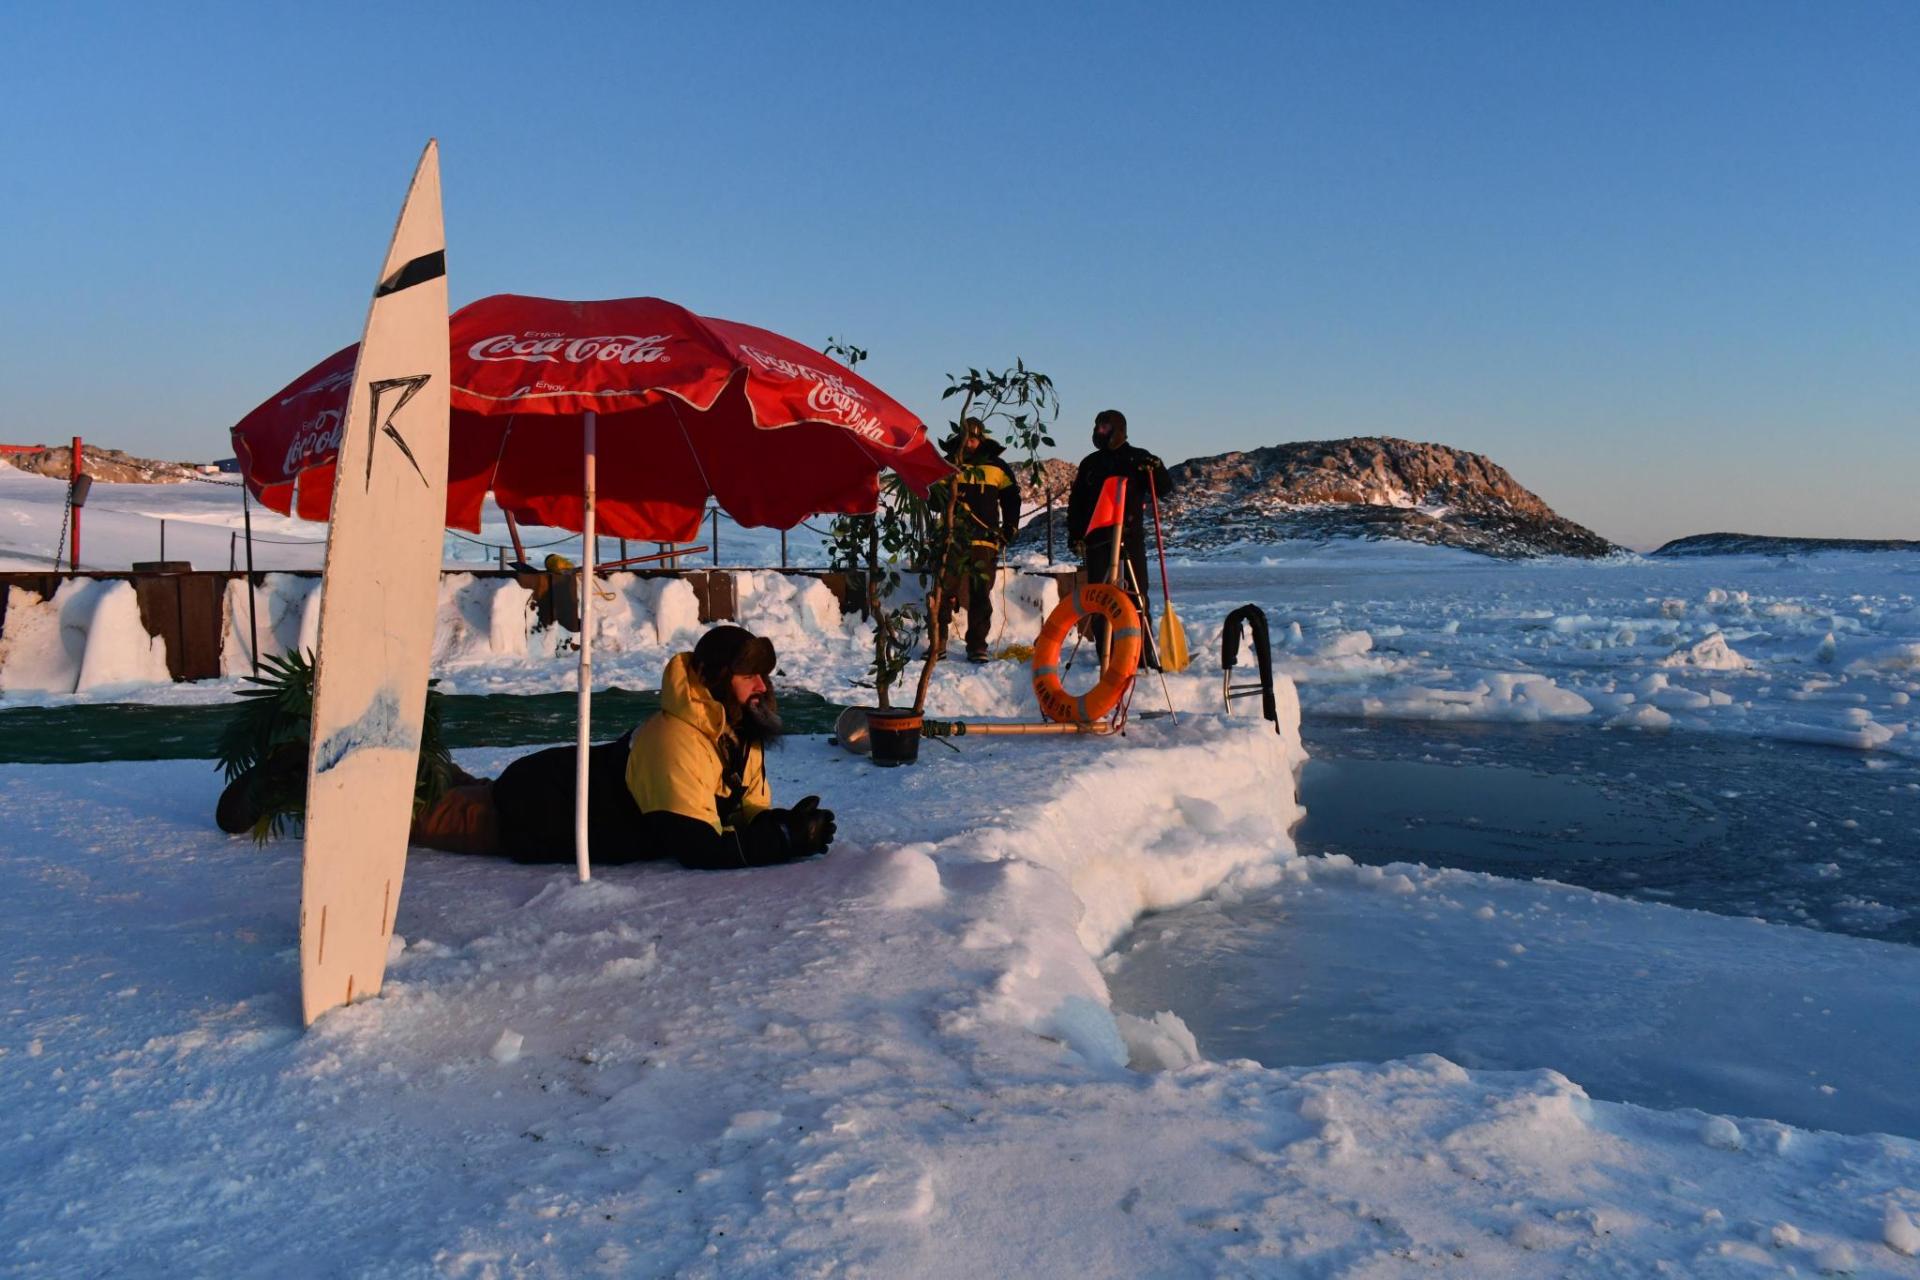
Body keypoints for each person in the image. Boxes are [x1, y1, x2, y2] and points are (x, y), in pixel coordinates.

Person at [480, 625, 837, 868]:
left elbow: (745, 810)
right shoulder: (673, 740)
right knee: (431, 806)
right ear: (712, 679)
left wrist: (784, 822)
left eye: (764, 675)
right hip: (531, 804)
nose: (762, 686)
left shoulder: (738, 733)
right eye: (747, 676)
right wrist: (783, 840)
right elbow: (698, 849)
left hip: (549, 790)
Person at [1066, 409, 1172, 669]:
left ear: (1117, 429)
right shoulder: (1090, 464)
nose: (1099, 432)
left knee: (1137, 596)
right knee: (1101, 597)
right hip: (1097, 539)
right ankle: (1107, 653)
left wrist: (1156, 469)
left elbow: (1164, 489)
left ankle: (1142, 653)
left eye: (1104, 427)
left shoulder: (1139, 458)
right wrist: (1075, 534)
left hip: (1130, 537)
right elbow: (1077, 503)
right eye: (1097, 427)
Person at [932, 417, 1022, 663]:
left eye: (973, 439)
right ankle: (937, 643)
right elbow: (933, 500)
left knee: (981, 594)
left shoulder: (998, 467)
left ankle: (977, 646)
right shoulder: (948, 465)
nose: (969, 443)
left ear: (981, 439)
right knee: (942, 590)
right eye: (966, 439)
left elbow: (1012, 499)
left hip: (985, 542)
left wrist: (1010, 528)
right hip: (952, 540)